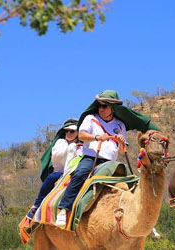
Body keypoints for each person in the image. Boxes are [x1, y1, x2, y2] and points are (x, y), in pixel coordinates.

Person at [55, 90, 159, 227]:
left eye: (105, 106)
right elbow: (81, 136)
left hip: (112, 163)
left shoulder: (120, 125)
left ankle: (142, 220)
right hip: (91, 158)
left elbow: (122, 150)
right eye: (100, 106)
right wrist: (97, 137)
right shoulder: (91, 118)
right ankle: (64, 209)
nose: (101, 109)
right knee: (80, 174)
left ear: (112, 108)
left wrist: (122, 142)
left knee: (133, 181)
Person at [27, 118, 81, 219]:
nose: (69, 133)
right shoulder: (60, 143)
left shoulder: (83, 146)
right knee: (51, 177)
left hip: (76, 174)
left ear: (78, 133)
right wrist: (72, 147)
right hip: (60, 173)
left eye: (72, 131)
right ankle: (36, 205)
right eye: (66, 131)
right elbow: (57, 156)